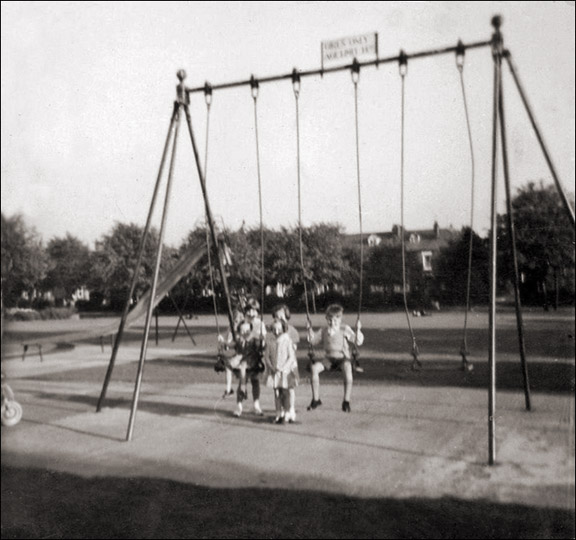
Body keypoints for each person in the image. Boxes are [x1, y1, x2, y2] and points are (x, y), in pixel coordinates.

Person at [306, 303, 364, 413]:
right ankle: (316, 399)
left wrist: (358, 330)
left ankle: (346, 401)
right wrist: (309, 330)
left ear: (340, 319)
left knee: (348, 368)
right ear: (326, 319)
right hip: (328, 359)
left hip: (342, 358)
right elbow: (313, 341)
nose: (332, 323)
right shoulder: (323, 330)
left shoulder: (344, 328)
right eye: (329, 320)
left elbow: (358, 341)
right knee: (314, 369)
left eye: (335, 320)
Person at [264, 319, 299, 424]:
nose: (276, 331)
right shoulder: (270, 342)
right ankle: (278, 413)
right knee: (276, 393)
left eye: (279, 329)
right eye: (274, 329)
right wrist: (271, 367)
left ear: (283, 329)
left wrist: (284, 368)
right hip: (275, 372)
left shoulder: (287, 340)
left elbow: (291, 357)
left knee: (285, 392)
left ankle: (287, 413)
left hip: (285, 372)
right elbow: (266, 357)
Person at [230, 319, 265, 417]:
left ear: (251, 329)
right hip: (242, 362)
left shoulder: (254, 339)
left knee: (255, 381)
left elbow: (261, 346)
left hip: (253, 361)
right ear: (239, 331)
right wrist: (223, 342)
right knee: (242, 382)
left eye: (247, 330)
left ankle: (256, 404)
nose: (245, 332)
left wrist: (262, 342)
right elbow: (230, 345)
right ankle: (239, 406)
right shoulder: (238, 340)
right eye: (242, 330)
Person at [271, 304, 300, 420]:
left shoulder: (291, 331)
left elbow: (293, 348)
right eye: (276, 317)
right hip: (277, 365)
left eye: (281, 316)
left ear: (287, 316)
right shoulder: (273, 330)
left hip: (289, 365)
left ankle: (291, 409)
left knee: (290, 388)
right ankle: (280, 410)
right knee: (277, 389)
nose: (279, 318)